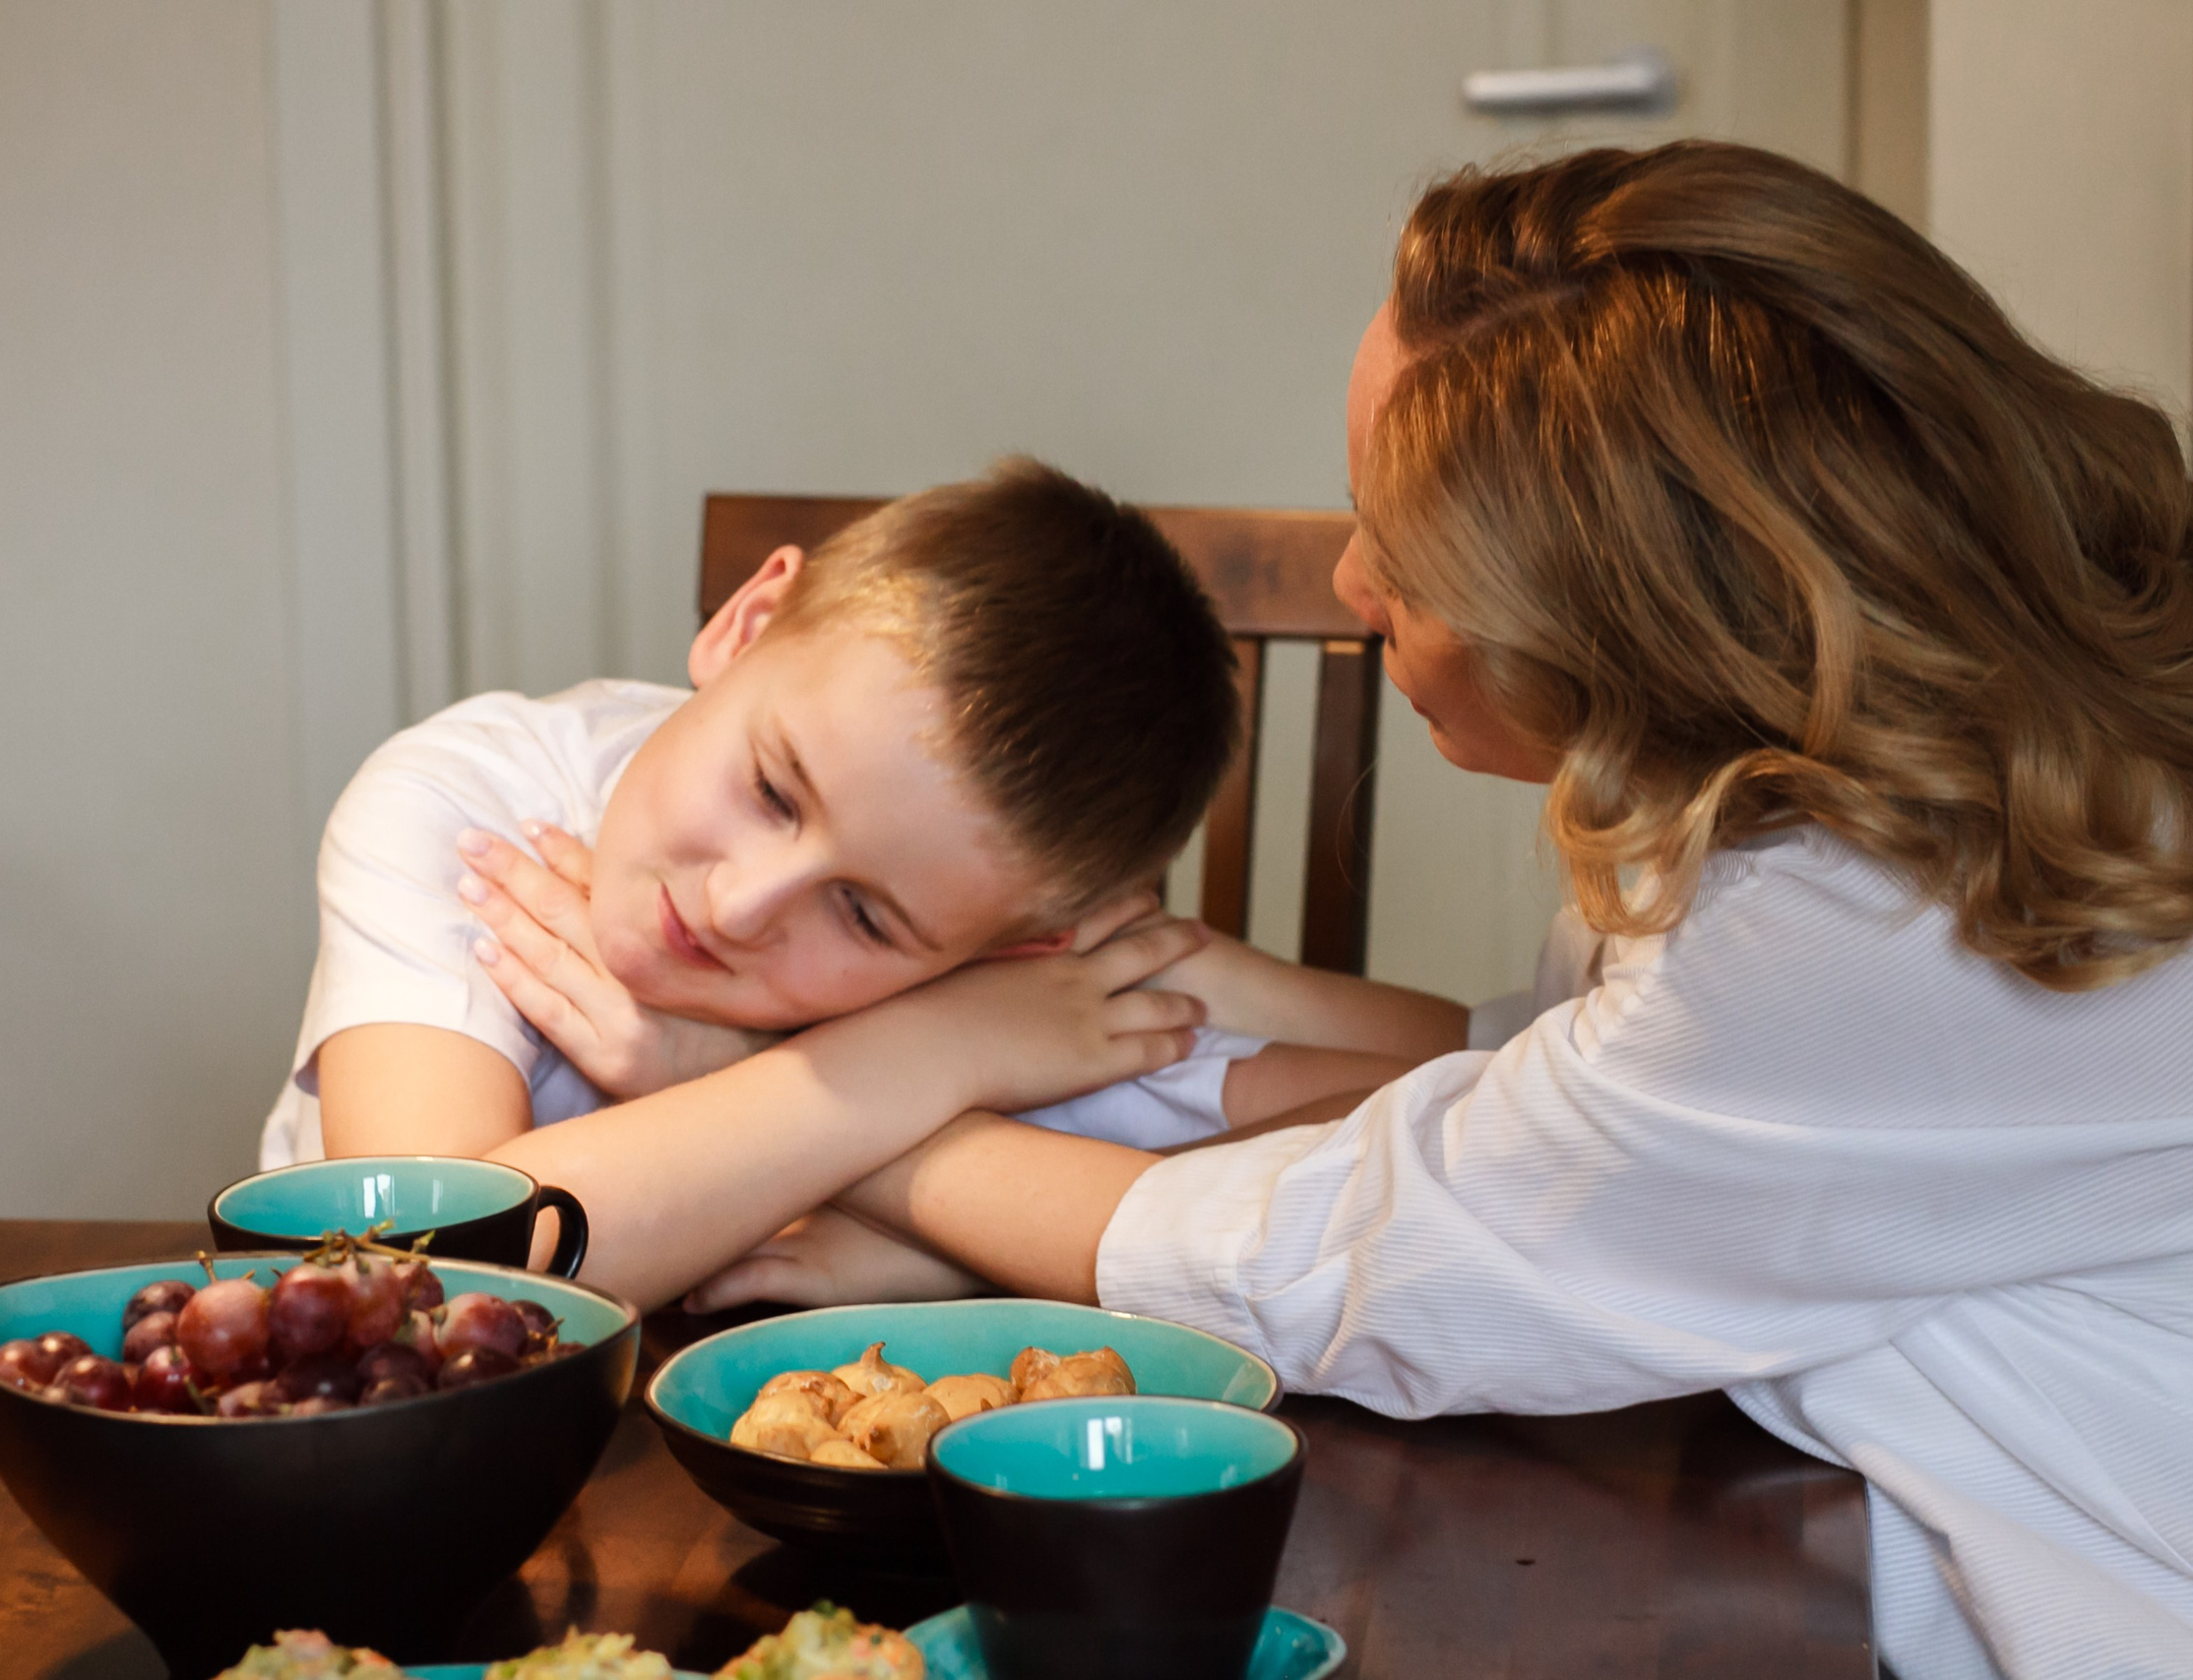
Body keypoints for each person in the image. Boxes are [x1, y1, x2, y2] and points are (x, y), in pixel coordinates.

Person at [468, 144, 2193, 1679]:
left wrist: (852, 1101)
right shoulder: (1908, 765)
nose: (1351, 586)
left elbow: (1360, 1262)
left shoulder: (1871, 921)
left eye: (1403, 557)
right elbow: (1588, 1112)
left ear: (1641, 631)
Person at [262, 458, 1406, 1306]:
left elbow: (1477, 1112)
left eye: (861, 915)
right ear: (748, 624)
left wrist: (935, 1242)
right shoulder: (477, 805)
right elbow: (432, 1280)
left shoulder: (1018, 981)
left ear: (1019, 950)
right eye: (772, 788)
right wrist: (917, 1061)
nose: (738, 905)